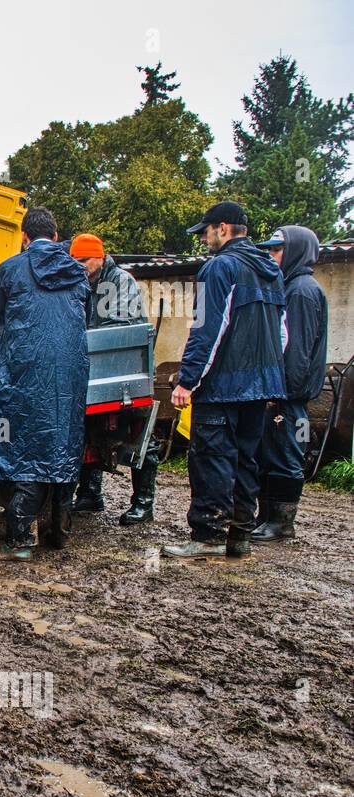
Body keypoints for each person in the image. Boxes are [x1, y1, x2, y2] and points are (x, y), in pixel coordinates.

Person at [162, 201, 286, 561]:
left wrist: (188, 380)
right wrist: (272, 378)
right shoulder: (270, 270)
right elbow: (281, 333)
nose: (203, 239)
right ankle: (239, 535)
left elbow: (208, 330)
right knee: (247, 459)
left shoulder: (220, 268)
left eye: (205, 231)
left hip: (223, 386)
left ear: (223, 228)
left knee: (212, 458)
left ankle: (208, 534)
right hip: (261, 386)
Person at [0, 208, 90, 561]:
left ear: (24, 238)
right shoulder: (78, 271)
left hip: (23, 371)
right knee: (63, 441)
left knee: (24, 448)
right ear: (57, 237)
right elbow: (79, 318)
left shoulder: (9, 269)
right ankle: (60, 531)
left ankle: (20, 540)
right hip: (69, 372)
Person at [67, 233, 158, 524]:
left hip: (126, 367)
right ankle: (90, 494)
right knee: (88, 430)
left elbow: (117, 325)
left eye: (84, 260)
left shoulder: (120, 281)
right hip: (93, 368)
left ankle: (144, 503)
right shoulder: (81, 283)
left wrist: (81, 338)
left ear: (100, 256)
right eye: (74, 260)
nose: (79, 265)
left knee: (140, 433)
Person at [252, 225, 329, 542]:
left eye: (277, 250)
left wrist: (279, 391)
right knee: (268, 456)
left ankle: (282, 523)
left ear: (296, 252)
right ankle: (266, 517)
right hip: (280, 394)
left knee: (285, 457)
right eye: (268, 250)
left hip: (288, 397)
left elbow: (295, 351)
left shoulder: (301, 291)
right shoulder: (290, 286)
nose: (270, 256)